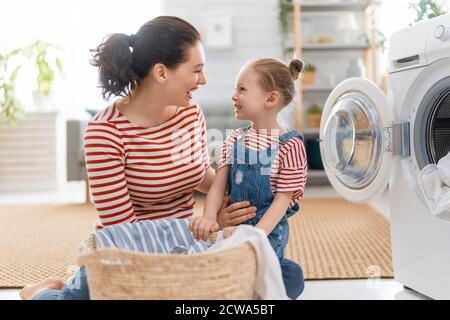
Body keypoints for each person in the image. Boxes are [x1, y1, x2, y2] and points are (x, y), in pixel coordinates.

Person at [19, 15, 257, 300]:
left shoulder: (190, 115)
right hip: (126, 253)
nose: (203, 80)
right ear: (161, 73)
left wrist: (232, 196)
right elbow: (124, 231)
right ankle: (42, 291)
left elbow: (199, 174)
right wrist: (207, 224)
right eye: (196, 70)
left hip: (184, 249)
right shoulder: (105, 132)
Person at [189, 58, 308, 299]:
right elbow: (217, 186)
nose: (234, 96)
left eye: (242, 89)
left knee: (292, 275)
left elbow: (282, 201)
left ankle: (239, 288)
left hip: (263, 244)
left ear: (270, 99)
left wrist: (254, 236)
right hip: (228, 237)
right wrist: (209, 219)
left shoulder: (290, 145)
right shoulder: (234, 140)